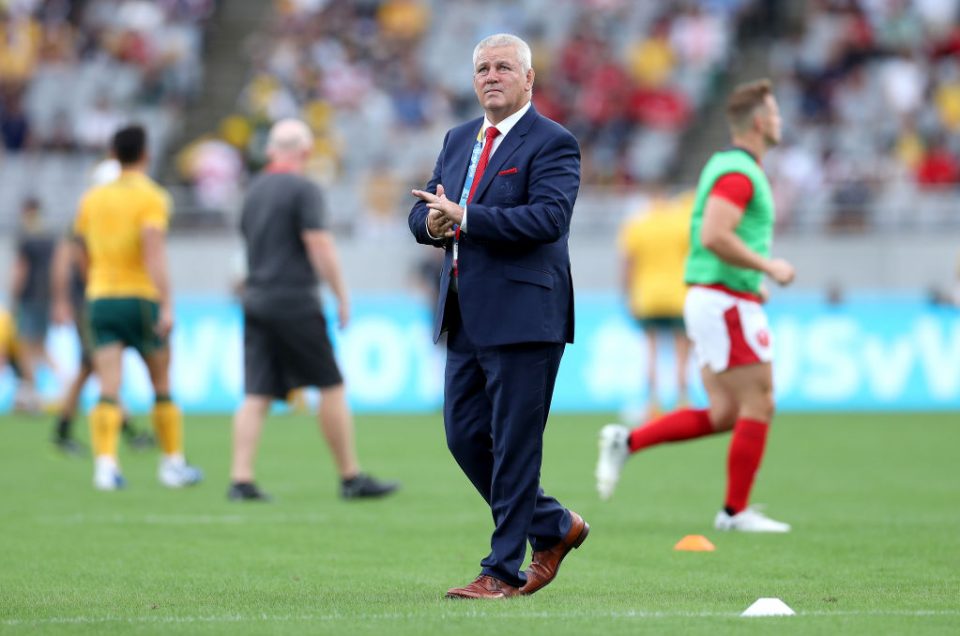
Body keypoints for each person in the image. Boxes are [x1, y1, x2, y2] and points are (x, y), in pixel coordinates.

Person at [410, 33, 587, 599]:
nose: (491, 75)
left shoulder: (554, 143)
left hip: (525, 314)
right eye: (483, 67)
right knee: (464, 436)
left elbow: (548, 221)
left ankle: (502, 571)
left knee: (515, 444)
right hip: (464, 312)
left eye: (504, 67)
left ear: (529, 79)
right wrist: (432, 225)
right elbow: (426, 209)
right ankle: (554, 525)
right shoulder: (459, 138)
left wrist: (466, 217)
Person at [596, 79, 796, 533]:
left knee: (727, 412)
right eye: (777, 114)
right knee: (760, 400)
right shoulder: (739, 173)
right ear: (761, 122)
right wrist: (768, 267)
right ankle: (734, 512)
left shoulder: (723, 166)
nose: (780, 121)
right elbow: (713, 236)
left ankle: (628, 441)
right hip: (724, 302)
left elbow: (710, 239)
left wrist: (748, 279)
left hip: (719, 295)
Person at [228, 118, 398, 502]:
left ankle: (241, 479)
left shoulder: (251, 191)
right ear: (305, 152)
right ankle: (350, 476)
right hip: (294, 299)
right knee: (331, 385)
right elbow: (319, 245)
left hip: (255, 297)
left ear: (271, 151)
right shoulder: (304, 189)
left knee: (256, 392)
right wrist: (341, 294)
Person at [73, 125, 202, 490]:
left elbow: (79, 249)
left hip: (100, 297)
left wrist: (93, 282)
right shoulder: (152, 197)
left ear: (113, 154)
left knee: (109, 386)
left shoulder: (92, 199)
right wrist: (168, 303)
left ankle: (105, 466)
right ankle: (172, 464)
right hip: (140, 297)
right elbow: (153, 251)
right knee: (160, 383)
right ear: (146, 154)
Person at [49, 158, 155, 455]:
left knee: (90, 367)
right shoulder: (90, 216)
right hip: (94, 301)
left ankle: (65, 428)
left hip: (96, 300)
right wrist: (64, 301)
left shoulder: (95, 213)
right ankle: (127, 430)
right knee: (98, 366)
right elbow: (66, 260)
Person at [618, 188, 693, 419]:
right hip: (678, 295)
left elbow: (628, 264)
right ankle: (682, 401)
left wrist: (627, 295)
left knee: (651, 351)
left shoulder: (637, 225)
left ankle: (653, 403)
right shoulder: (681, 224)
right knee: (682, 352)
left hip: (647, 297)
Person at [10, 196, 56, 412]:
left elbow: (21, 269)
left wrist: (13, 296)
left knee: (25, 347)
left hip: (29, 297)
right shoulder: (49, 236)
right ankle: (65, 382)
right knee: (41, 347)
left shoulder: (26, 237)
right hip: (46, 296)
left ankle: (33, 395)